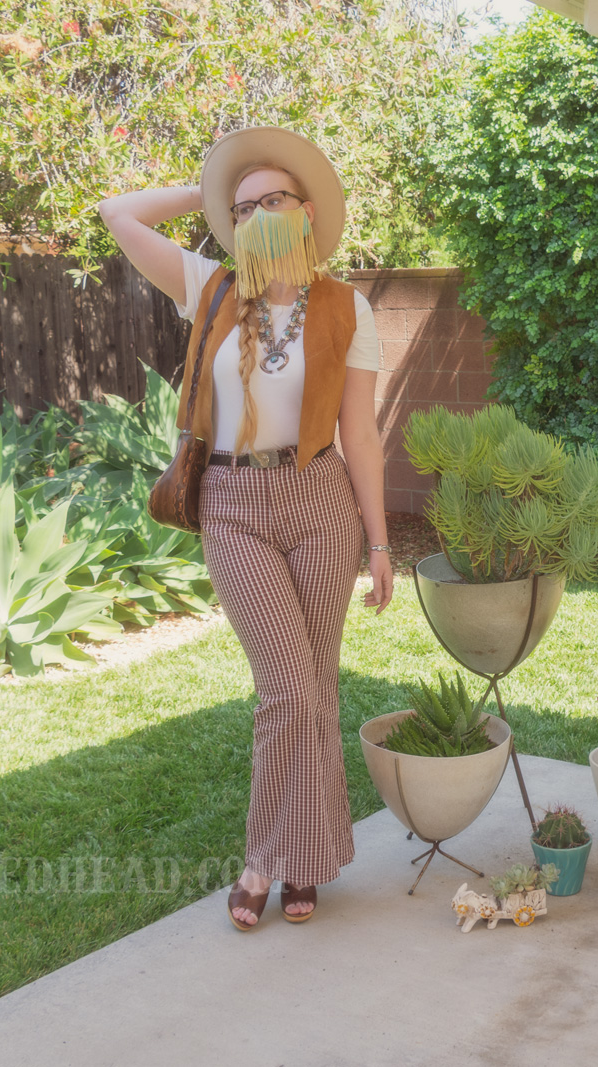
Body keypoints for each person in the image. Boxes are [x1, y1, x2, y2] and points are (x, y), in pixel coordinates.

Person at [97, 127, 393, 930]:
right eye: (245, 206)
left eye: (274, 199)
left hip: (320, 502)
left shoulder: (346, 307)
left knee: (315, 687)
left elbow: (361, 436)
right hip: (233, 507)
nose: (260, 212)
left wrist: (378, 540)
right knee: (286, 689)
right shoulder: (211, 287)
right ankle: (266, 857)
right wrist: (210, 191)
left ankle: (306, 862)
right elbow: (117, 213)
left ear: (305, 213)